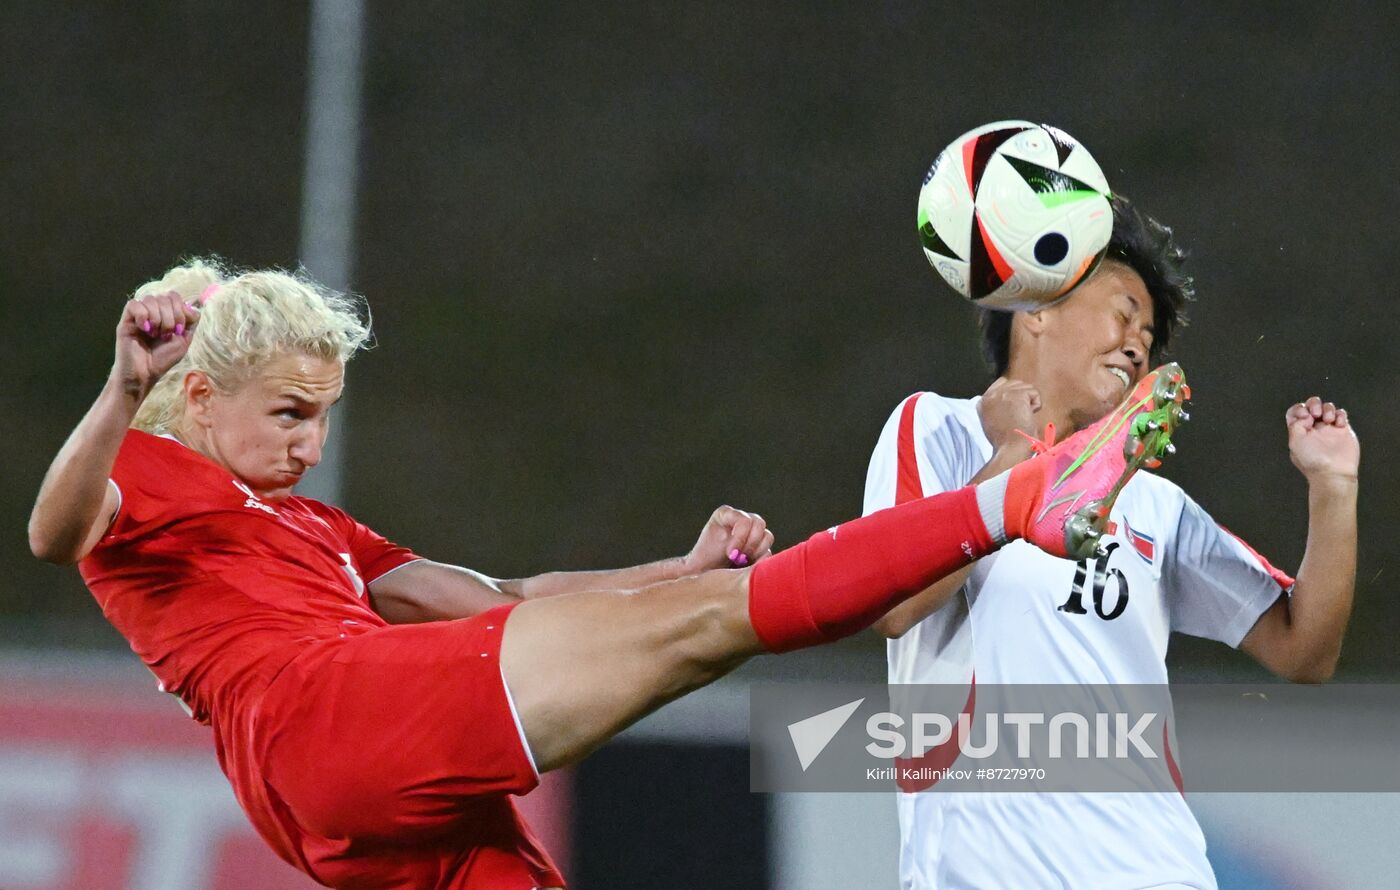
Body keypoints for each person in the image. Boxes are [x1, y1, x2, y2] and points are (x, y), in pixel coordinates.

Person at [31, 258, 1185, 890]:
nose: (308, 445)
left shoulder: (311, 527)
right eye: (289, 414)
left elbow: (503, 604)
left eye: (322, 417)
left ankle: (1000, 500)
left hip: (349, 804)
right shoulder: (137, 472)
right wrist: (123, 387)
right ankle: (1010, 496)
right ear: (198, 395)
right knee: (714, 624)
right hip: (331, 716)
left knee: (692, 609)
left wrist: (667, 565)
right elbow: (55, 527)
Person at [866, 195, 1360, 889]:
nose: (1138, 342)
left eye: (1149, 334)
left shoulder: (1152, 504)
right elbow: (893, 603)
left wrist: (1333, 489)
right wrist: (1015, 455)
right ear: (1035, 307)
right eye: (1123, 312)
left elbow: (1304, 647)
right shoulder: (936, 431)